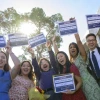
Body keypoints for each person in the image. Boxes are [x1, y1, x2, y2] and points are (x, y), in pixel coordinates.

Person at [52, 33, 100, 100]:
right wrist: (54, 42)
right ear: (69, 50)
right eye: (70, 47)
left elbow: (79, 43)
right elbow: (59, 54)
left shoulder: (82, 57)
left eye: (74, 47)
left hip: (88, 83)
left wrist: (76, 36)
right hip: (77, 87)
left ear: (77, 49)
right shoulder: (69, 62)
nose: (72, 48)